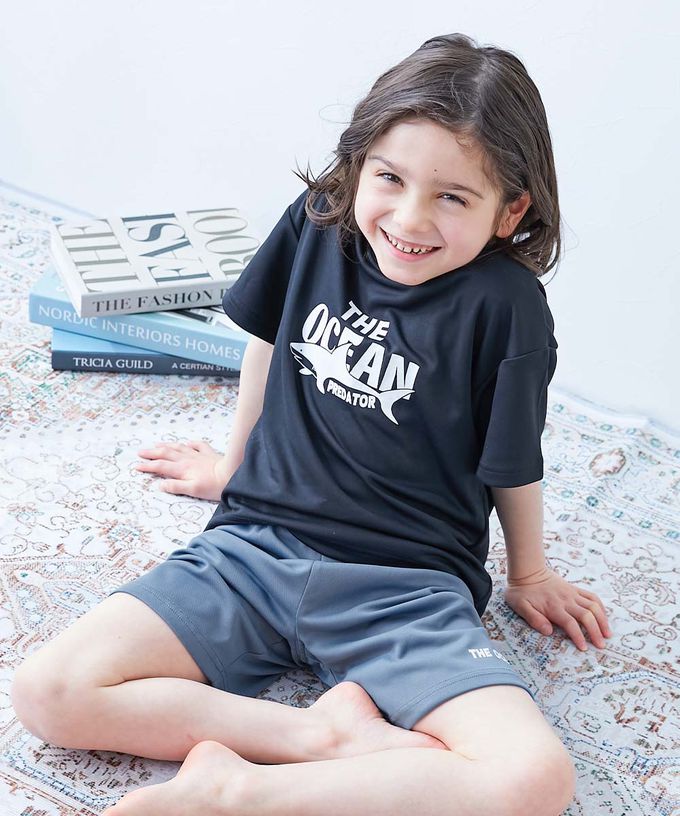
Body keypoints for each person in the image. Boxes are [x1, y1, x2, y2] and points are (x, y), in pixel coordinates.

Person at [12, 32, 611, 816]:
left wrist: (528, 575)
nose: (409, 217)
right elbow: (269, 344)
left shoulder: (507, 308)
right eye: (389, 178)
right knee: (47, 691)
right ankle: (319, 737)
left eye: (453, 197)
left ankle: (240, 792)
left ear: (512, 211)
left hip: (404, 589)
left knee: (535, 778)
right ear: (358, 164)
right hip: (252, 550)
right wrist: (233, 467)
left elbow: (514, 458)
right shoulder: (316, 223)